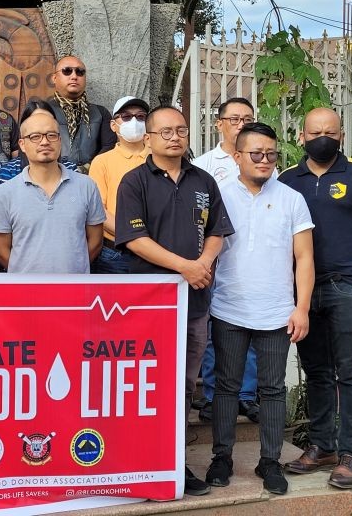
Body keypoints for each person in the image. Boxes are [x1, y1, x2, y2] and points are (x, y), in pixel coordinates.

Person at [115, 106, 234, 496]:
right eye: (165, 131)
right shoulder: (134, 182)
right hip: (149, 303)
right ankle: (138, 460)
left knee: (184, 385)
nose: (174, 137)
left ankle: (173, 463)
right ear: (147, 138)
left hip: (195, 304)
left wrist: (203, 263)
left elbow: (216, 230)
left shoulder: (203, 180)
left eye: (180, 130)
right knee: (146, 384)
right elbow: (135, 239)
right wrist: (184, 266)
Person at [281, 107, 352, 489]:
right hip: (303, 290)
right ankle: (322, 446)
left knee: (349, 372)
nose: (322, 138)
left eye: (329, 131)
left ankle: (350, 454)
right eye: (315, 132)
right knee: (316, 371)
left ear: (341, 136)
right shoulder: (286, 180)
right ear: (302, 136)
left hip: (347, 287)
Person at [204, 123, 314, 496]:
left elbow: (305, 257)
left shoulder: (291, 198)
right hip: (228, 308)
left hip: (276, 311)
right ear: (236, 156)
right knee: (226, 387)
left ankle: (270, 460)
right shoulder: (218, 195)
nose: (265, 160)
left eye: (271, 154)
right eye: (256, 154)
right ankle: (222, 457)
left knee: (271, 389)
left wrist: (301, 308)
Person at [192, 98, 262, 423]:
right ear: (219, 123)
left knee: (249, 325)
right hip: (214, 254)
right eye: (234, 119)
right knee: (211, 325)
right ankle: (211, 396)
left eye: (247, 118)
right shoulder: (205, 164)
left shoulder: (263, 162)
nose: (241, 124)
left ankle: (246, 395)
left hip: (252, 254)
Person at [0, 99, 104, 273]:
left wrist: (73, 269)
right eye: (35, 136)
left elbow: (95, 241)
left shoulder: (86, 186)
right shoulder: (4, 193)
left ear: (59, 140)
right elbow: (2, 249)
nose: (44, 142)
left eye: (51, 135)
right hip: (25, 292)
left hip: (74, 290)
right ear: (22, 144)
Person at [88, 96, 149, 274]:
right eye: (127, 117)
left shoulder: (158, 158)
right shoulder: (102, 162)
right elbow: (100, 211)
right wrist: (137, 237)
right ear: (114, 125)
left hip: (158, 250)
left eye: (140, 117)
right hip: (115, 253)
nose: (134, 122)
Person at [48, 55, 115, 172]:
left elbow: (109, 147)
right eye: (67, 71)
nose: (74, 76)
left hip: (92, 178)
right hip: (54, 177)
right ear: (54, 78)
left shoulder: (100, 112)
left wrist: (88, 167)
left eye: (80, 72)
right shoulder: (43, 111)